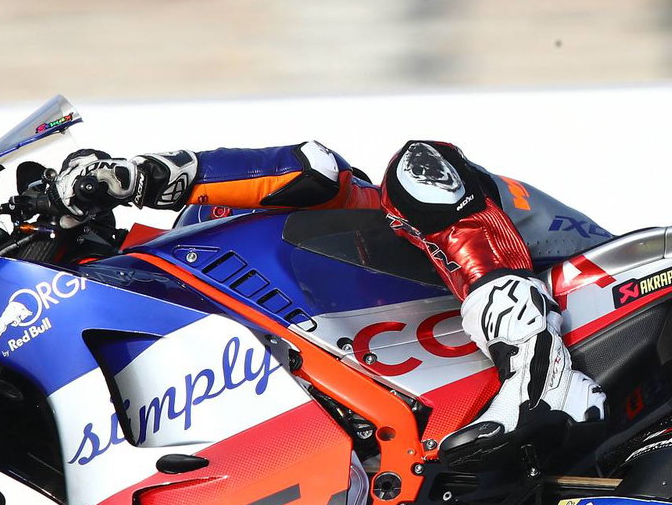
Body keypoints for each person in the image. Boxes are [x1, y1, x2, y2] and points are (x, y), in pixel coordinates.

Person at [47, 140, 608, 462]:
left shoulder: (203, 228)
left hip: (564, 262)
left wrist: (141, 176)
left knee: (416, 168)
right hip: (430, 363)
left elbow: (315, 167)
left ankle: (542, 376)